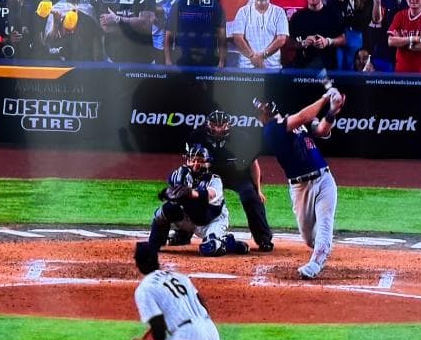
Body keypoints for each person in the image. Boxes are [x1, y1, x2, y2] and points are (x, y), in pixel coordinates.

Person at [255, 86, 345, 279]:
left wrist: (332, 111)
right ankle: (322, 244)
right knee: (309, 238)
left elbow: (322, 129)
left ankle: (315, 263)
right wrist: (326, 98)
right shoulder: (271, 131)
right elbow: (304, 116)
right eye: (262, 110)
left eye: (265, 108)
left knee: (324, 222)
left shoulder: (293, 122)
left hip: (324, 179)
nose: (265, 111)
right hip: (299, 188)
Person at [147, 143, 249, 257]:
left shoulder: (215, 180)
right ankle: (168, 239)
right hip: (191, 218)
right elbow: (174, 195)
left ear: (208, 163)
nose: (196, 165)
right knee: (165, 211)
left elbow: (209, 194)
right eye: (192, 160)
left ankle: (230, 243)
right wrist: (167, 193)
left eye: (200, 161)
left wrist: (190, 193)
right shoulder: (179, 175)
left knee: (210, 248)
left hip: (212, 221)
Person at [192, 110, 273, 252]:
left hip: (238, 176)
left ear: (228, 125)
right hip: (210, 176)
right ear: (208, 125)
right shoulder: (197, 136)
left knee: (251, 196)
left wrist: (258, 190)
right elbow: (192, 163)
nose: (218, 129)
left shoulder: (242, 139)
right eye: (215, 125)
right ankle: (183, 234)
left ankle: (263, 239)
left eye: (221, 125)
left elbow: (254, 165)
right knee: (193, 197)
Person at [164, 0, 227, 68]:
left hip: (209, 62)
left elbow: (222, 37)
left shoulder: (215, 6)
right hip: (183, 61)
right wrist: (168, 60)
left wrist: (222, 61)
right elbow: (168, 36)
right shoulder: (178, 6)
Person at [231, 0, 288, 70]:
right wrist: (252, 57)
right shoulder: (243, 11)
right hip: (246, 67)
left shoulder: (279, 12)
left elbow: (281, 39)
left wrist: (262, 56)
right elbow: (237, 38)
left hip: (272, 67)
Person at [286, 0, 345, 71]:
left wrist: (327, 41)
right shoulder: (297, 17)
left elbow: (343, 40)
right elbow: (289, 44)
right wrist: (303, 43)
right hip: (303, 67)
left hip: (328, 67)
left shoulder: (333, 14)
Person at [99, 0, 156, 64]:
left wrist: (117, 19)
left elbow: (146, 25)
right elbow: (106, 27)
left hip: (144, 58)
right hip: (115, 58)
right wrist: (136, 25)